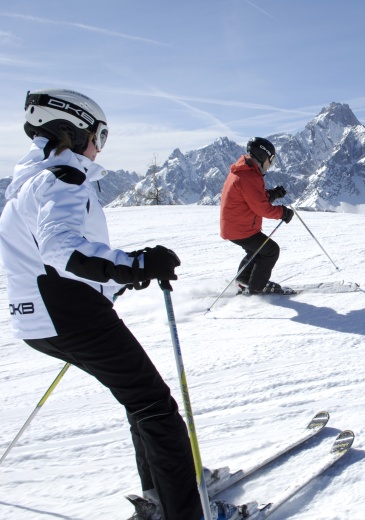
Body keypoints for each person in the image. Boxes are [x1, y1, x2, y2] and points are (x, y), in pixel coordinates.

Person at [0, 89, 243, 520]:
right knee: (158, 409)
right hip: (72, 316)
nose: (99, 147)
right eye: (99, 135)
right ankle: (185, 512)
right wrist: (134, 264)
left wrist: (113, 281)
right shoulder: (63, 178)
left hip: (39, 321)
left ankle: (162, 492)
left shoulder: (27, 184)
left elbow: (41, 256)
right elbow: (61, 249)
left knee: (140, 401)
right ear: (74, 131)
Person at [220, 137, 294, 294]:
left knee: (256, 251)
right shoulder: (249, 176)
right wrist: (283, 213)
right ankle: (256, 288)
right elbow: (262, 208)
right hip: (241, 229)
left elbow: (253, 198)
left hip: (237, 226)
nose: (271, 164)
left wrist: (272, 194)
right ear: (262, 156)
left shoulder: (246, 171)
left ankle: (243, 281)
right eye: (271, 159)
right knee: (270, 250)